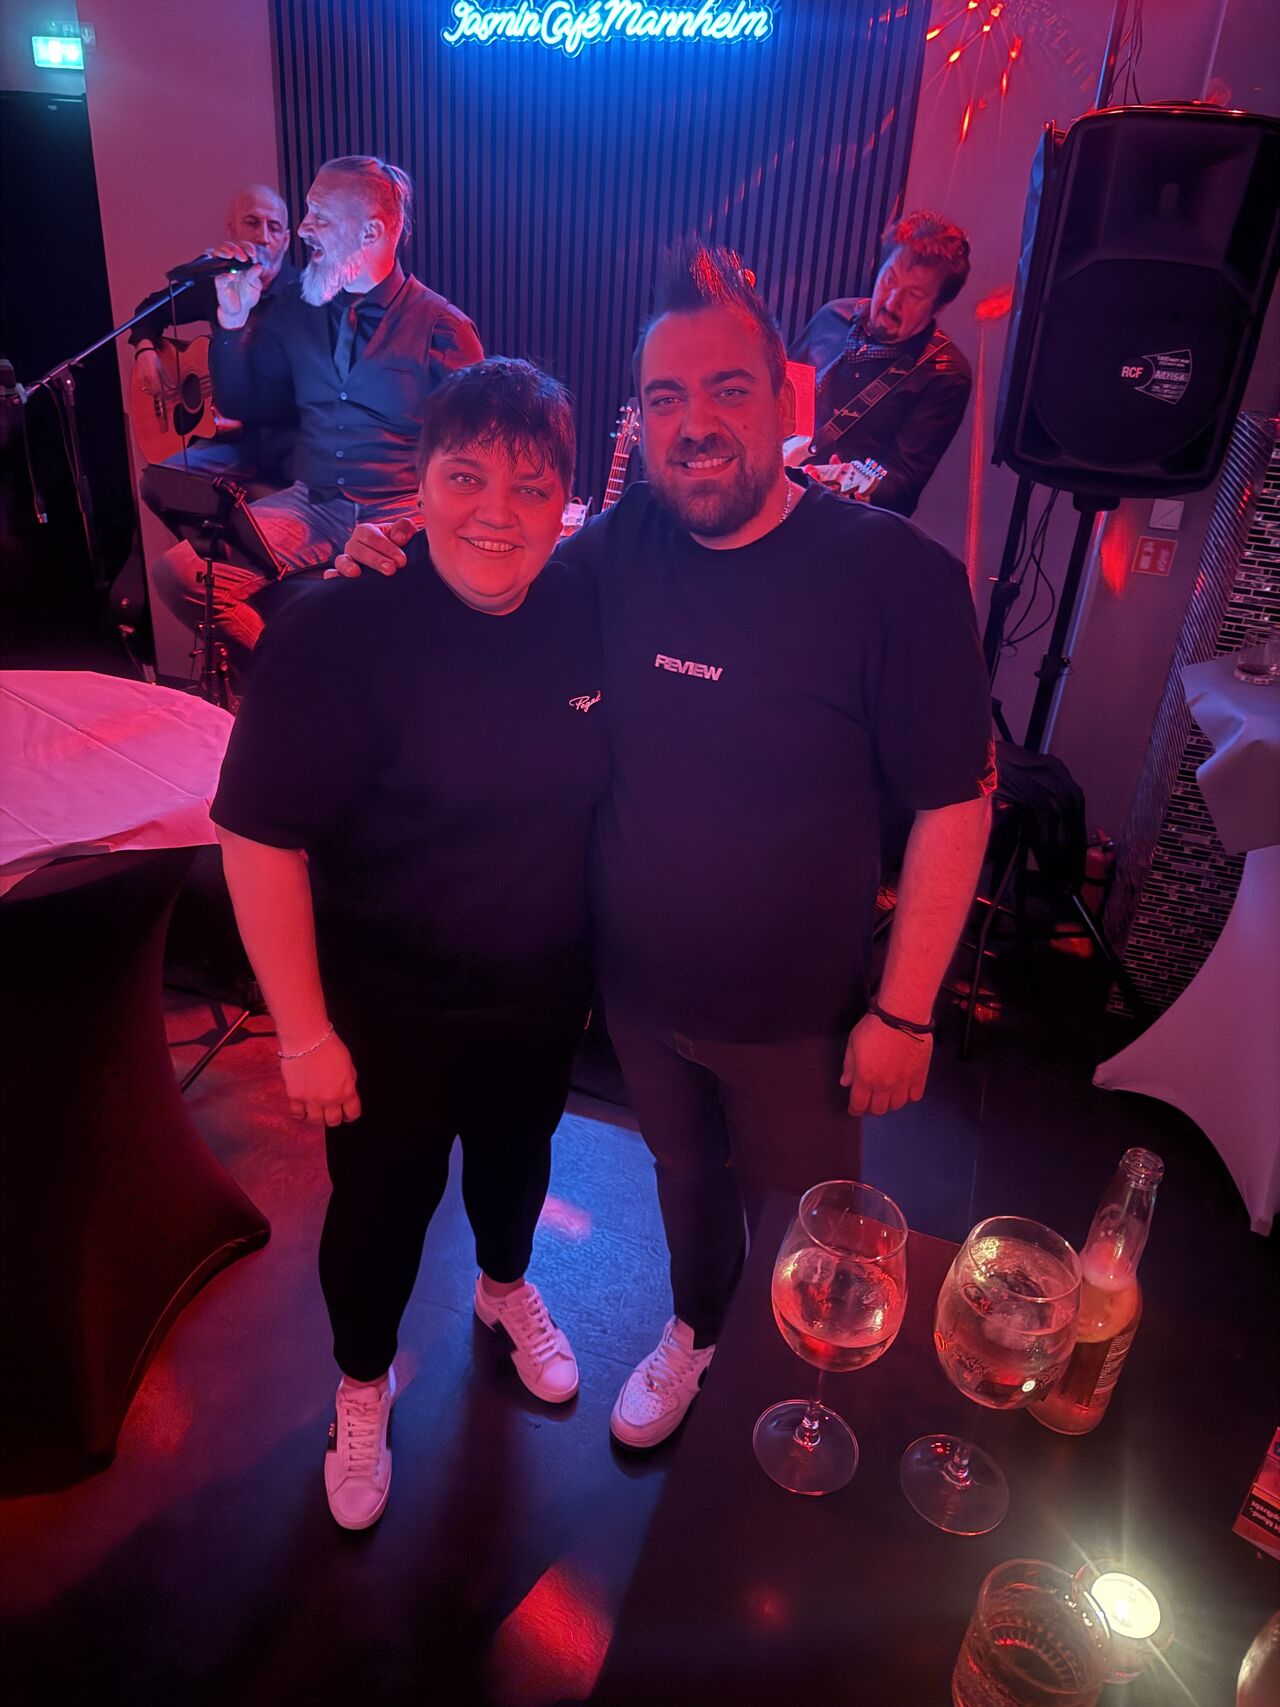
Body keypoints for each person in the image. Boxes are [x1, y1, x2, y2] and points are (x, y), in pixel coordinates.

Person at [336, 245, 994, 1451]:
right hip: (633, 997)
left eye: (726, 391)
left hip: (798, 1020)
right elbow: (494, 569)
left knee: (808, 1239)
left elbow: (956, 803)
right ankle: (694, 1332)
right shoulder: (618, 545)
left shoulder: (891, 574)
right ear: (640, 420)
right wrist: (388, 554)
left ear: (785, 401)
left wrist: (904, 1012)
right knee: (682, 1185)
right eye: (664, 398)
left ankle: (784, 1419)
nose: (694, 425)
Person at [211, 358, 606, 1529]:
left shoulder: (587, 610)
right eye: (465, 477)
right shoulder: (339, 629)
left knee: (516, 1168)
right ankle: (361, 1380)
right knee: (379, 1210)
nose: (496, 511)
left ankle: (502, 1289)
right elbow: (256, 835)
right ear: (418, 483)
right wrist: (302, 1034)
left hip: (539, 994)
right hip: (384, 1010)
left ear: (565, 502)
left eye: (530, 486)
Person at [151, 155, 483, 686]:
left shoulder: (443, 327)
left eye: (319, 215)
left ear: (371, 232)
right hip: (314, 502)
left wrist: (437, 527)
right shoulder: (297, 308)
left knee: (393, 618)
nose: (303, 229)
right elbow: (242, 403)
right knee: (180, 572)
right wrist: (232, 322)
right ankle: (291, 683)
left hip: (403, 508)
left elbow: (476, 458)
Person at [789, 211, 972, 517]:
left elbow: (902, 488)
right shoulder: (831, 317)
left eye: (914, 295)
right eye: (890, 280)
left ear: (939, 306)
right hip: (777, 499)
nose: (891, 302)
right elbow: (778, 398)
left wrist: (844, 483)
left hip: (843, 524)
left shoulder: (945, 374)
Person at [131, 185, 299, 493]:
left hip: (288, 440)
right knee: (158, 486)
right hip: (233, 441)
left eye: (274, 228)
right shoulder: (217, 284)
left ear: (286, 240)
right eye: (252, 223)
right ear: (231, 229)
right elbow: (149, 311)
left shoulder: (305, 295)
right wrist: (144, 350)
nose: (263, 237)